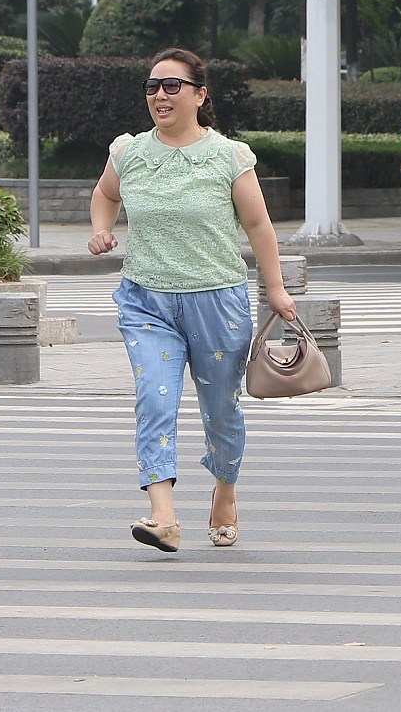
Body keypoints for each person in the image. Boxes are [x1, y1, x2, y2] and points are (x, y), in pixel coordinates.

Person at [88, 48, 297, 553]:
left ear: (200, 95)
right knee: (154, 399)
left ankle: (224, 490)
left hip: (216, 301)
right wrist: (101, 230)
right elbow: (105, 196)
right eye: (152, 87)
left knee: (220, 411)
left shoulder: (228, 156)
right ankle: (163, 516)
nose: (160, 95)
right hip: (146, 301)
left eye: (172, 86)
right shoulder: (130, 152)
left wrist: (275, 288)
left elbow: (258, 226)